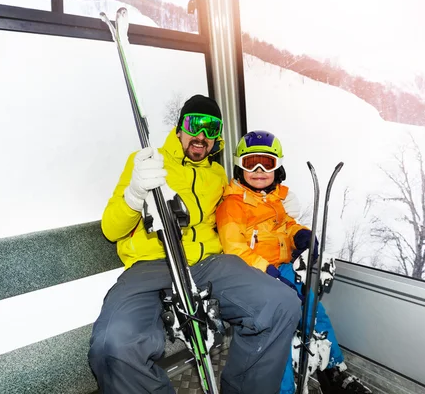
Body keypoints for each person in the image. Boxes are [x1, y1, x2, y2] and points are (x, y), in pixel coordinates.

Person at [88, 95, 302, 394]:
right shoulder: (149, 164)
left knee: (282, 304)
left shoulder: (216, 174)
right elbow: (112, 229)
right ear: (179, 129)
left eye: (212, 129)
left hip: (209, 265)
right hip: (152, 264)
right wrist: (135, 194)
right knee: (113, 345)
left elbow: (244, 201)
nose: (202, 136)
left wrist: (281, 199)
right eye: (194, 124)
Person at [215, 130, 372, 394]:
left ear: (278, 168)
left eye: (267, 163)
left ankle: (331, 370)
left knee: (313, 307)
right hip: (254, 275)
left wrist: (301, 235)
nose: (258, 170)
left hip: (281, 269)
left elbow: (285, 225)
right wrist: (269, 270)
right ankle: (284, 388)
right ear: (239, 166)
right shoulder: (232, 205)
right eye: (251, 162)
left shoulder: (274, 200)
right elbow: (235, 248)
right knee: (282, 324)